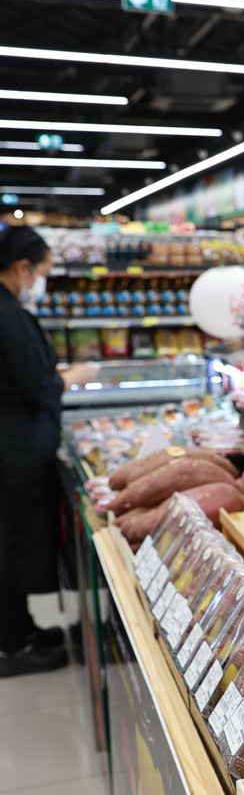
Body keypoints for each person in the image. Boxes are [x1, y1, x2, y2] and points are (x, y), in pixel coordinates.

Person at [0, 223, 97, 676]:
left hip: (16, 445)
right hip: (14, 451)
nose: (42, 282)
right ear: (22, 268)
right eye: (42, 272)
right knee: (12, 543)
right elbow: (37, 387)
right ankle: (13, 646)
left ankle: (20, 627)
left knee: (13, 541)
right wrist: (70, 377)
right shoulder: (9, 315)